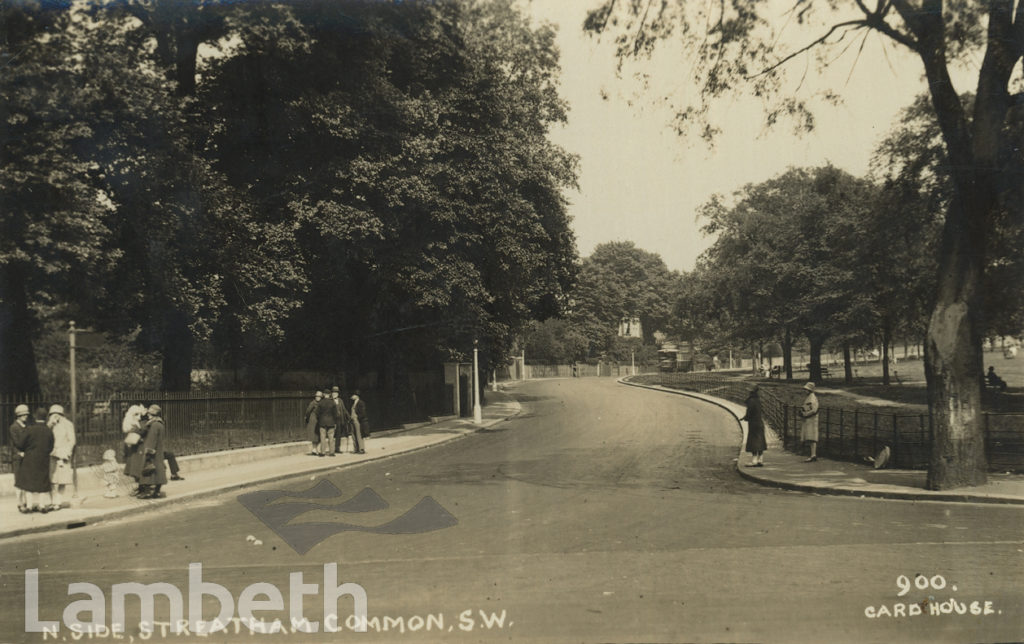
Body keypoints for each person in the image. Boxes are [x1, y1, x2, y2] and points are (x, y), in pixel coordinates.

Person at [13, 408, 53, 513]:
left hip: (30, 459)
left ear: (35, 417)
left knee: (28, 482)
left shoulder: (29, 429)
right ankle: (42, 505)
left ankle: (29, 506)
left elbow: (20, 444)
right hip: (43, 459)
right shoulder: (48, 431)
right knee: (42, 481)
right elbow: (51, 446)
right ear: (46, 417)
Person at [136, 404, 167, 499]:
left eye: (149, 413)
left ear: (151, 414)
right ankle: (157, 492)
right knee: (158, 471)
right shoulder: (160, 423)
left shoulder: (153, 425)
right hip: (159, 450)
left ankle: (147, 492)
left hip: (153, 452)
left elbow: (151, 440)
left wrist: (148, 453)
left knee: (148, 470)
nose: (148, 415)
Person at [48, 404, 76, 510]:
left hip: (63, 456)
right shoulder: (50, 425)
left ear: (61, 414)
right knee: (51, 480)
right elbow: (44, 436)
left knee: (62, 480)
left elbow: (72, 440)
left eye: (57, 414)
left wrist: (66, 452)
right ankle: (53, 501)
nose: (55, 416)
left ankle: (58, 502)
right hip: (51, 454)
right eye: (52, 414)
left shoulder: (68, 424)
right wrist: (50, 424)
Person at [9, 404, 31, 512]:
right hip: (18, 457)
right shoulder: (14, 427)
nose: (25, 416)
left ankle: (26, 502)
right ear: (18, 416)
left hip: (26, 456)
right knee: (18, 481)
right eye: (23, 415)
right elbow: (17, 443)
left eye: (26, 414)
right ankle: (20, 503)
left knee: (26, 480)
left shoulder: (26, 426)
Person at [741, 386, 766, 466]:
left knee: (753, 441)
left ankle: (754, 460)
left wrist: (746, 418)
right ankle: (760, 459)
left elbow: (750, 412)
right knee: (761, 440)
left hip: (753, 423)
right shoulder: (758, 400)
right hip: (760, 422)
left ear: (751, 393)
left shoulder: (751, 401)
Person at [316, 387, 340, 457]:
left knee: (322, 437)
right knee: (331, 437)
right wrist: (335, 422)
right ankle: (331, 452)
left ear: (323, 394)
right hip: (331, 422)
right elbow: (336, 414)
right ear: (329, 395)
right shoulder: (333, 403)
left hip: (322, 422)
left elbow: (317, 413)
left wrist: (320, 419)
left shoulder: (320, 402)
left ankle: (323, 452)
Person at [799, 382, 819, 462]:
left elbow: (813, 410)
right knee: (810, 437)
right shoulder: (810, 397)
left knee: (812, 437)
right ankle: (812, 454)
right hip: (809, 419)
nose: (805, 391)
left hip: (811, 419)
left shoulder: (812, 398)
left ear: (810, 390)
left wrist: (805, 414)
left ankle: (813, 455)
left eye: (806, 390)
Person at [305, 391, 322, 455]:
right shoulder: (313, 403)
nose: (318, 397)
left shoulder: (321, 403)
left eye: (319, 396)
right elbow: (308, 411)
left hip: (319, 420)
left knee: (318, 435)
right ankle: (314, 449)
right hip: (314, 420)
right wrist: (307, 418)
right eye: (317, 396)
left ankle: (316, 449)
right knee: (314, 435)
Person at [349, 390, 366, 454]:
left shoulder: (361, 403)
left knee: (359, 434)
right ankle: (356, 449)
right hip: (352, 420)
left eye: (353, 395)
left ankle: (361, 449)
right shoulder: (353, 403)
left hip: (357, 421)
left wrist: (357, 417)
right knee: (353, 435)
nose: (352, 396)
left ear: (356, 396)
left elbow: (363, 413)